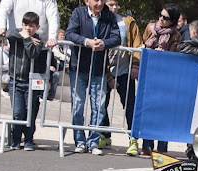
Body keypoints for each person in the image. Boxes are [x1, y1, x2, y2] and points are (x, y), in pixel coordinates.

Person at [65, 0, 120, 156]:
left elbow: (116, 38)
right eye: (95, 0)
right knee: (78, 106)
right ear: (87, 1)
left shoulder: (109, 16)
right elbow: (70, 33)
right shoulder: (78, 13)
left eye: (102, 0)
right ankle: (80, 141)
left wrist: (104, 43)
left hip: (99, 69)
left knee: (99, 107)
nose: (99, 3)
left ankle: (94, 142)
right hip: (79, 67)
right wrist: (86, 42)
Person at [100, 0, 142, 156]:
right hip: (105, 69)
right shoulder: (100, 20)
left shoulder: (128, 21)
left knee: (130, 105)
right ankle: (104, 135)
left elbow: (137, 45)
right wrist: (109, 76)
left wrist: (135, 65)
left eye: (117, 4)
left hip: (125, 70)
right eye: (111, 4)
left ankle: (133, 139)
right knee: (101, 104)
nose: (115, 7)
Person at [140, 3, 180, 155]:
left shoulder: (175, 35)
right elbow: (143, 44)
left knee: (163, 112)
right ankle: (147, 146)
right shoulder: (150, 27)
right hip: (148, 74)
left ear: (173, 20)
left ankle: (162, 148)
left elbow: (171, 56)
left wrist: (159, 54)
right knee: (148, 110)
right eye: (160, 15)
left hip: (165, 77)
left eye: (166, 18)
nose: (161, 19)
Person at [6, 12, 46, 151]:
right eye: (25, 25)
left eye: (31, 26)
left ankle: (28, 139)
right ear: (22, 25)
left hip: (31, 83)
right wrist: (24, 36)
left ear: (37, 27)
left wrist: (28, 40)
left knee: (30, 111)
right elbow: (9, 33)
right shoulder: (17, 35)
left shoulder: (38, 41)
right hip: (15, 81)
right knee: (18, 112)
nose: (28, 28)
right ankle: (15, 139)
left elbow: (32, 53)